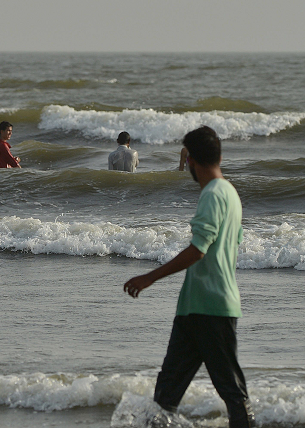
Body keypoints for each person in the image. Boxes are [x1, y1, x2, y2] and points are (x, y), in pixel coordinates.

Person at [123, 126, 255, 428]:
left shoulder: (213, 193)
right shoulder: (230, 194)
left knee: (232, 392)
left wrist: (150, 277)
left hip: (213, 306)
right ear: (219, 155)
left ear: (191, 161)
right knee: (165, 394)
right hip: (193, 308)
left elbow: (199, 250)